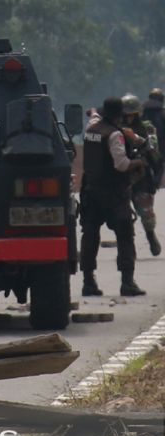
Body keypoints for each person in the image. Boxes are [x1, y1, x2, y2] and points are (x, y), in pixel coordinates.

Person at [80, 98, 146, 297]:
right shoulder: (115, 135)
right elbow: (121, 164)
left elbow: (92, 117)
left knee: (90, 235)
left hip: (91, 191)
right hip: (114, 194)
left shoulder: (91, 129)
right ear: (121, 115)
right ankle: (127, 282)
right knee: (125, 235)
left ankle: (88, 282)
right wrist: (138, 162)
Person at [122, 94, 162, 256]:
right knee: (122, 215)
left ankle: (150, 235)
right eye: (126, 115)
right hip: (122, 175)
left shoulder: (147, 128)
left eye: (132, 114)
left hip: (141, 175)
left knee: (146, 214)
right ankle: (128, 245)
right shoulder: (116, 128)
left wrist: (138, 141)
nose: (129, 118)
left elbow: (154, 151)